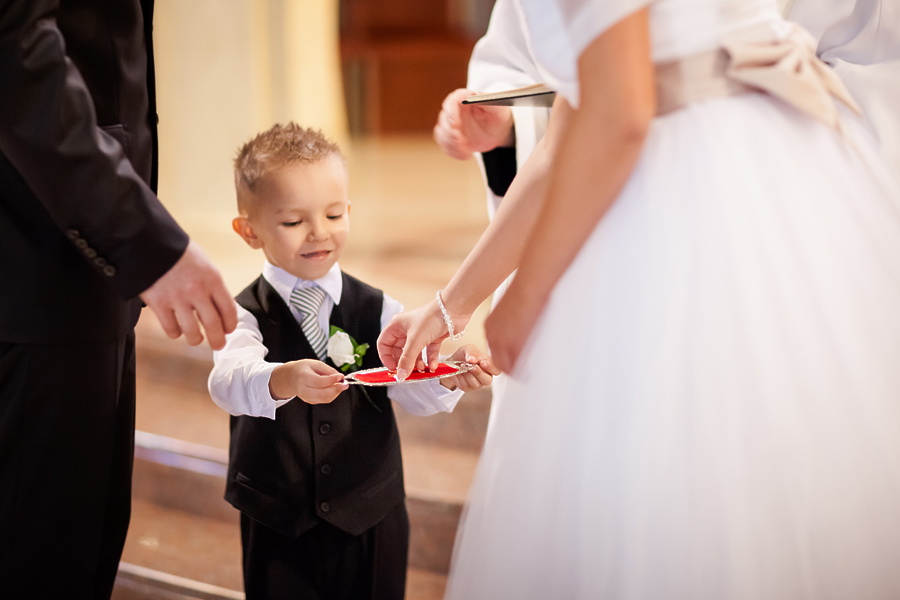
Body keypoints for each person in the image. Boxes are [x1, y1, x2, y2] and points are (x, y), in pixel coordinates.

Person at [379, 0, 900, 597]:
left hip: (682, 196)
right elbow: (572, 124)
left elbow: (618, 112)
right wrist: (454, 304)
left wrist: (525, 298)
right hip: (770, 180)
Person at [0, 1, 237, 598]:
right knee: (47, 557)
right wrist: (143, 240)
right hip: (38, 260)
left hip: (70, 265)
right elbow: (16, 58)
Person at [207, 122, 498, 600]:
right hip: (278, 520)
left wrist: (448, 375)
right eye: (293, 221)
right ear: (249, 231)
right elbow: (227, 381)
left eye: (335, 213)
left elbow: (407, 383)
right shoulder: (244, 313)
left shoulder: (379, 308)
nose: (319, 233)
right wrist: (282, 377)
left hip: (371, 512)